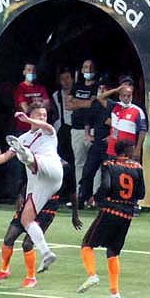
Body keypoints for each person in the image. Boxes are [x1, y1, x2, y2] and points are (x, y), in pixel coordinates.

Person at [0, 104, 63, 270]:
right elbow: (5, 157)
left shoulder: (48, 132)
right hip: (42, 182)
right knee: (26, 220)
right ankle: (46, 252)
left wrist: (28, 120)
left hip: (51, 168)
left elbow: (46, 126)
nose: (43, 117)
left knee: (26, 157)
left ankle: (25, 154)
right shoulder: (23, 138)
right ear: (31, 115)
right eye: (39, 115)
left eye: (44, 115)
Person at [77, 139, 145, 298]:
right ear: (127, 150)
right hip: (127, 214)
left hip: (110, 210)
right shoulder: (137, 167)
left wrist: (97, 198)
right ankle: (115, 293)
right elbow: (141, 193)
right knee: (113, 251)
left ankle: (92, 275)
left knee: (87, 244)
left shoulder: (109, 164)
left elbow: (106, 186)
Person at [0, 182, 81, 288]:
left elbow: (73, 193)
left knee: (27, 244)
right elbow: (28, 181)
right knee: (9, 238)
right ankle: (4, 270)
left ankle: (31, 277)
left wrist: (75, 215)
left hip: (46, 209)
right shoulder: (36, 170)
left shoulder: (66, 172)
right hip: (31, 202)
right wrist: (21, 196)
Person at [79, 75, 114, 208]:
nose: (102, 90)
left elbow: (119, 124)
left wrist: (112, 136)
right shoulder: (95, 104)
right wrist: (87, 134)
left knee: (107, 174)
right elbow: (88, 120)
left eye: (104, 88)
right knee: (88, 171)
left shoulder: (113, 105)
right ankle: (83, 197)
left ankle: (101, 199)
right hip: (97, 142)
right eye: (100, 88)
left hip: (109, 144)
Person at [68, 59, 99, 206]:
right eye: (86, 67)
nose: (88, 70)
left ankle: (95, 197)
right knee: (79, 163)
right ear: (81, 70)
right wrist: (84, 103)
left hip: (93, 129)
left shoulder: (97, 86)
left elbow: (93, 104)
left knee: (95, 164)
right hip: (76, 129)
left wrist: (77, 103)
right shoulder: (77, 86)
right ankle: (80, 196)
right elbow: (68, 105)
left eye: (91, 67)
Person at [99, 77, 146, 159]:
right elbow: (100, 98)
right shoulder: (114, 106)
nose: (126, 98)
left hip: (128, 151)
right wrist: (116, 90)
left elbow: (143, 131)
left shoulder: (138, 110)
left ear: (132, 96)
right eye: (124, 95)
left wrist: (138, 149)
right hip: (112, 149)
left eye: (128, 96)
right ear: (120, 96)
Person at [52, 67, 77, 196]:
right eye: (62, 79)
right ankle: (61, 191)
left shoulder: (78, 93)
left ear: (73, 79)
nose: (65, 81)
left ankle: (73, 191)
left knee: (75, 161)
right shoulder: (56, 95)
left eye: (67, 78)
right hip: (61, 131)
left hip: (75, 129)